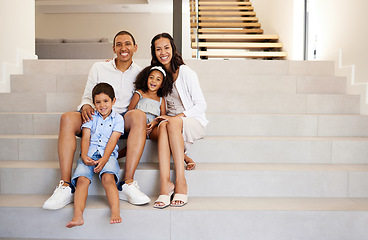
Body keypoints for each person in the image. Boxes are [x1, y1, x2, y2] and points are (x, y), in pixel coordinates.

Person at [43, 30, 150, 210]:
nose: (123, 48)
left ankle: (127, 183)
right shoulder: (99, 67)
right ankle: (65, 186)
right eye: (119, 44)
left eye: (127, 43)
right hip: (96, 115)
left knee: (139, 115)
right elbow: (87, 96)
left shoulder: (141, 73)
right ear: (114, 48)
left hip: (121, 119)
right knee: (67, 118)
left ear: (135, 47)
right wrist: (85, 105)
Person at [151, 33, 209, 208]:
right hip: (170, 124)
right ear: (154, 53)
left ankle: (181, 181)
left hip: (193, 121)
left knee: (170, 123)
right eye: (158, 49)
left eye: (166, 48)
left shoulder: (185, 72)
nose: (163, 52)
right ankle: (165, 184)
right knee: (162, 127)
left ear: (173, 49)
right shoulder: (159, 74)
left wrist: (174, 118)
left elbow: (201, 105)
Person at [66, 83, 123, 228]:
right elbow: (85, 137)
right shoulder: (91, 117)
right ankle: (78, 216)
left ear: (113, 101)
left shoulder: (118, 119)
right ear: (93, 103)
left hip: (107, 155)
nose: (102, 105)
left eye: (106, 101)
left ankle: (115, 212)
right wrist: (84, 156)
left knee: (108, 178)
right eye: (98, 102)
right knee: (82, 180)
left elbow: (113, 140)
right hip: (90, 153)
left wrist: (104, 159)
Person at [127, 65, 172, 139]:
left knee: (164, 133)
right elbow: (130, 111)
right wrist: (140, 124)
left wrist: (155, 123)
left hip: (152, 127)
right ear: (146, 79)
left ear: (162, 84)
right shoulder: (139, 93)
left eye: (158, 79)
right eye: (151, 77)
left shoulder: (161, 99)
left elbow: (162, 117)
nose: (154, 81)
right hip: (137, 125)